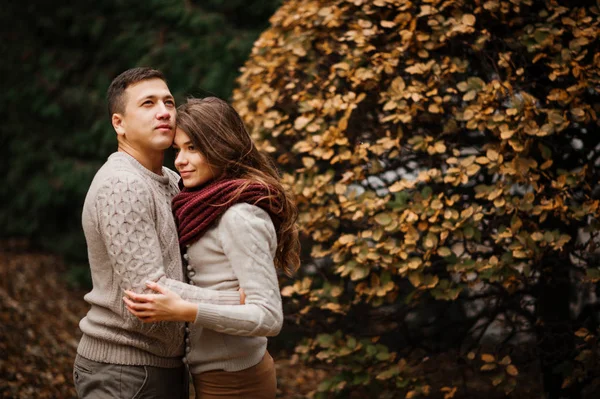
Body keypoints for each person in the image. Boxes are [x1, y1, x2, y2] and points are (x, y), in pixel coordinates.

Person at [74, 69, 243, 399]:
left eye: (168, 101)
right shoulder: (123, 184)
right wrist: (237, 302)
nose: (164, 111)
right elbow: (148, 296)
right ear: (119, 124)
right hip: (125, 371)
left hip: (161, 366)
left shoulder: (170, 179)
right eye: (148, 103)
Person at [123, 97, 301, 399]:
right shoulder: (205, 203)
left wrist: (186, 310)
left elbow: (269, 317)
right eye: (178, 149)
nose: (180, 161)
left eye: (193, 148)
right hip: (213, 375)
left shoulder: (240, 215)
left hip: (238, 381)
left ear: (222, 146)